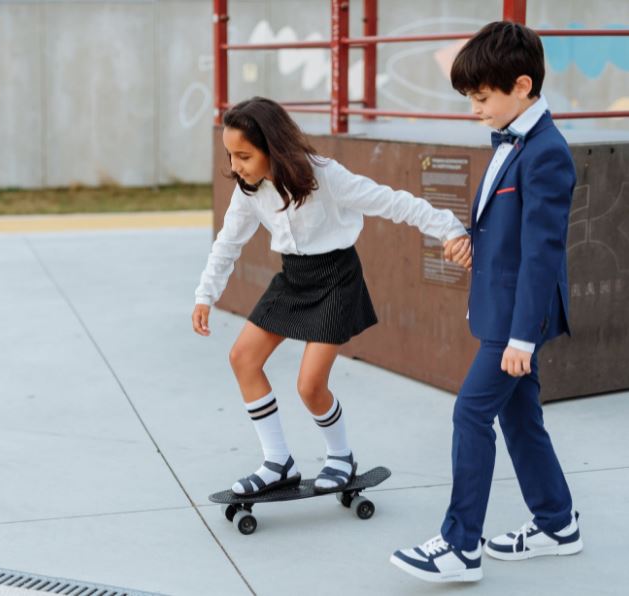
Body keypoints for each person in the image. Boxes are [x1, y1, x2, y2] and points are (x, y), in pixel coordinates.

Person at [192, 96, 470, 498]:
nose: (235, 167)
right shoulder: (249, 190)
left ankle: (341, 456)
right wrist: (205, 294)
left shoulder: (324, 176)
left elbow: (392, 202)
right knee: (243, 358)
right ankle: (278, 462)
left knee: (310, 385)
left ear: (273, 148)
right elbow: (228, 242)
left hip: (337, 280)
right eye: (230, 156)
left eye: (244, 156)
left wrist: (449, 229)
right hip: (294, 278)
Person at [391, 21, 581, 583]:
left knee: (471, 413)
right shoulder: (511, 139)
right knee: (521, 419)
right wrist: (475, 245)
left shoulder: (547, 153)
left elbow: (543, 253)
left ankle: (460, 546)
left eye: (481, 97)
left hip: (517, 318)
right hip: (503, 306)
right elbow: (512, 231)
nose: (475, 109)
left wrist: (523, 336)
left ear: (522, 85)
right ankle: (556, 523)